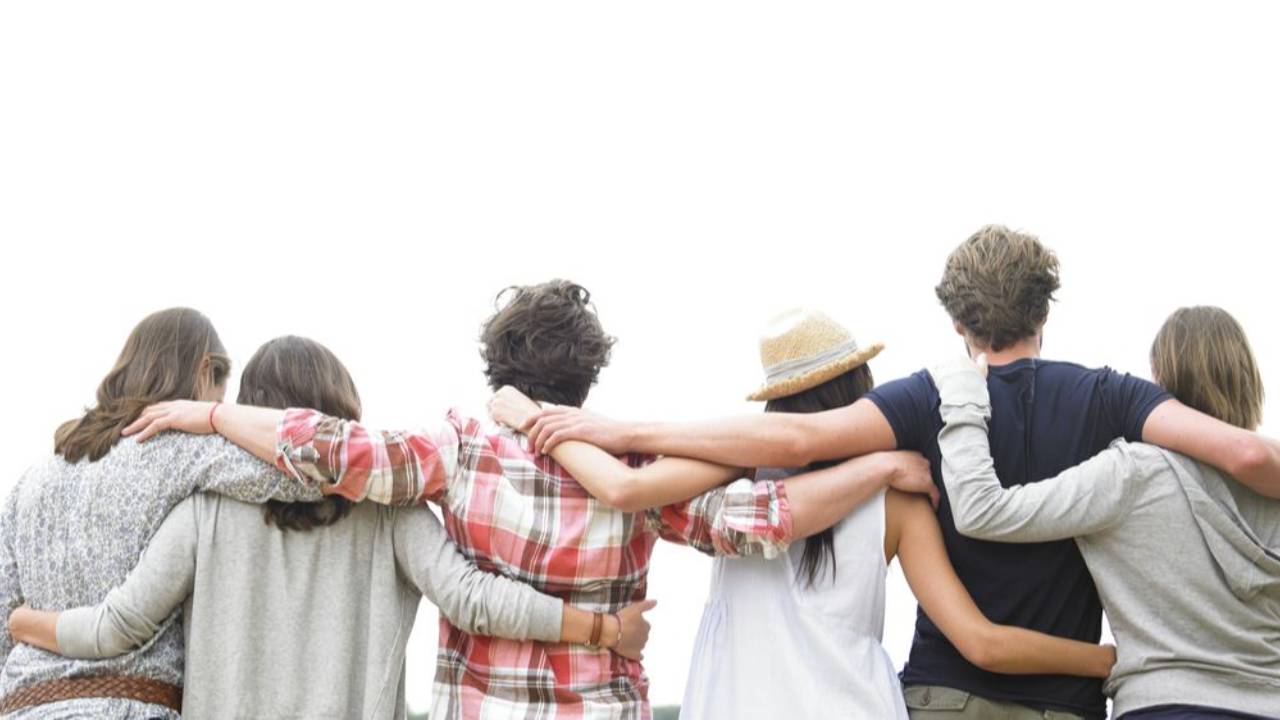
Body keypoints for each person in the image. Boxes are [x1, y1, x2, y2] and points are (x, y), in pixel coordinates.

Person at [511, 227, 1280, 720]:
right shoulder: (1109, 399)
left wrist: (613, 428)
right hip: (1048, 702)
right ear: (1045, 311)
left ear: (959, 324)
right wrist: (1114, 661)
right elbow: (1241, 455)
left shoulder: (921, 403)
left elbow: (792, 441)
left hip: (933, 697)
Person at [114, 281, 937, 720]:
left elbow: (334, 448)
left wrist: (212, 414)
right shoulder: (634, 465)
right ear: (588, 374)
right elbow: (762, 521)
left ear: (498, 368)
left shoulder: (459, 447)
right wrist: (877, 465)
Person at [487, 308, 1118, 719]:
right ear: (860, 390)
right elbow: (980, 642)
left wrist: (534, 417)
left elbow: (624, 488)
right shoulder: (896, 495)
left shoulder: (732, 477)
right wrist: (1108, 659)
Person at [6, 335, 653, 719]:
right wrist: (602, 629)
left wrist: (22, 621)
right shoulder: (390, 513)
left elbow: (119, 625)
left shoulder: (203, 512)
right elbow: (472, 599)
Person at [930, 306, 1280, 720]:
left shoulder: (1132, 474)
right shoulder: (1272, 484)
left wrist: (963, 395)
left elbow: (983, 510)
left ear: (1159, 381)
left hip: (1165, 705)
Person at [0, 308, 325, 719]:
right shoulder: (181, 451)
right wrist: (219, 420)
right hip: (130, 707)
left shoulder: (31, 481)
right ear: (204, 371)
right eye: (219, 393)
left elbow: (4, 619)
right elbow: (312, 470)